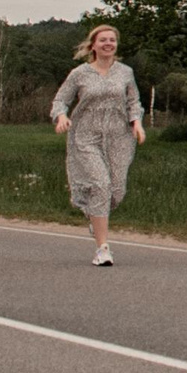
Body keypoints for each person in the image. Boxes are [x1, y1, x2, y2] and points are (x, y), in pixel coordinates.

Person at [51, 25, 145, 266]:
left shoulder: (125, 72)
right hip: (86, 136)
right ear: (93, 45)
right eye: (103, 40)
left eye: (112, 40)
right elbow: (61, 100)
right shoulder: (80, 73)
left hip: (118, 137)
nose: (108, 43)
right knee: (100, 185)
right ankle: (102, 248)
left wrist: (137, 123)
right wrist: (61, 117)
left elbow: (134, 101)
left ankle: (96, 217)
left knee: (116, 191)